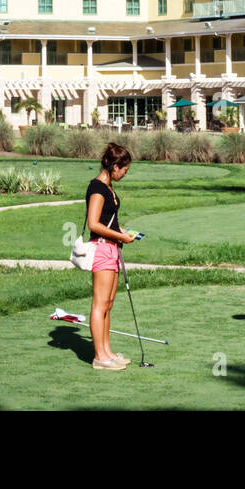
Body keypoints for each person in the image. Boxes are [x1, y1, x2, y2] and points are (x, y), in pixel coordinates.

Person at [84, 141, 137, 370]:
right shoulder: (97, 187)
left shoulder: (109, 188)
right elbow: (94, 224)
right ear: (115, 166)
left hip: (113, 247)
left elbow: (107, 219)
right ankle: (99, 357)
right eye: (124, 170)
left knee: (109, 303)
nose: (125, 174)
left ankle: (107, 351)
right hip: (102, 248)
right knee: (99, 304)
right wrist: (118, 236)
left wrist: (121, 232)